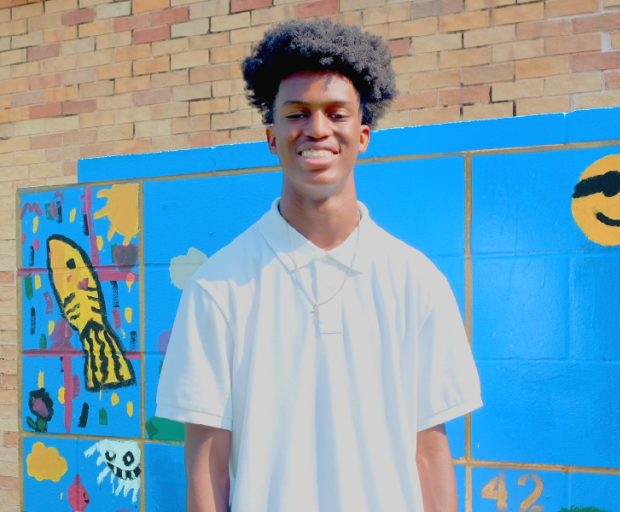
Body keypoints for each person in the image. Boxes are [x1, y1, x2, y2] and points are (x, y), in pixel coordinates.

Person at [155, 19, 482, 512]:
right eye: (297, 114)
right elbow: (206, 465)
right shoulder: (216, 288)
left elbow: (431, 453)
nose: (318, 129)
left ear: (363, 134)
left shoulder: (418, 283)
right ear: (271, 136)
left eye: (336, 113)